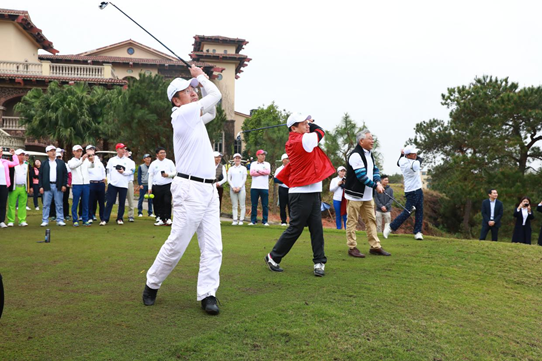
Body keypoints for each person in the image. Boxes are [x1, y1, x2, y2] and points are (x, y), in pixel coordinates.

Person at [143, 65, 223, 315]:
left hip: (209, 191)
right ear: (176, 100)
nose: (192, 92)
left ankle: (208, 294)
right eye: (186, 91)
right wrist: (200, 78)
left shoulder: (194, 116)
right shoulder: (182, 114)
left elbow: (213, 108)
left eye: (191, 89)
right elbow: (216, 96)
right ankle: (152, 283)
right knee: (177, 243)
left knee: (213, 247)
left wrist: (201, 81)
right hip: (189, 189)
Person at [266, 113, 335, 276]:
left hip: (313, 190)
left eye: (307, 123)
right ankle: (273, 257)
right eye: (303, 123)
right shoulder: (300, 140)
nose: (307, 125)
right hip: (300, 192)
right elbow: (321, 131)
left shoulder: (304, 137)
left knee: (317, 228)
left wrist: (307, 122)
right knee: (296, 228)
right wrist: (312, 123)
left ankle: (319, 262)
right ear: (293, 128)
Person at [344, 130, 390, 258]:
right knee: (352, 221)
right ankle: (352, 247)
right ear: (361, 141)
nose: (372, 141)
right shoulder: (355, 155)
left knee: (371, 220)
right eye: (370, 138)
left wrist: (378, 181)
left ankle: (375, 246)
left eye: (372, 138)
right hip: (355, 195)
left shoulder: (370, 154)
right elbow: (361, 176)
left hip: (367, 195)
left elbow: (375, 169)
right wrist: (376, 185)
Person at [384, 145, 424, 240]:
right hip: (412, 191)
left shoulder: (402, 160)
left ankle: (417, 232)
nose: (416, 154)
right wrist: (403, 154)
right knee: (407, 212)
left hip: (418, 189)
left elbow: (398, 162)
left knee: (420, 211)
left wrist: (401, 154)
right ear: (409, 155)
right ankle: (390, 227)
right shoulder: (414, 164)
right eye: (413, 153)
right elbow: (420, 159)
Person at [102, 143, 134, 226]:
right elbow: (108, 171)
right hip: (113, 184)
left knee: (122, 202)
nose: (123, 150)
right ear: (117, 150)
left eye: (124, 149)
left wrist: (124, 172)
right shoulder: (112, 160)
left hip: (123, 184)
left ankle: (120, 218)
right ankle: (105, 219)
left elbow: (131, 171)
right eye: (121, 148)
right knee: (110, 202)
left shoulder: (128, 161)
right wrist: (109, 182)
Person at [39, 145, 68, 227]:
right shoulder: (44, 163)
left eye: (54, 150)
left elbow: (65, 174)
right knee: (46, 204)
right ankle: (45, 220)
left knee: (59, 204)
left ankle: (60, 220)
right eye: (51, 151)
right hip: (47, 186)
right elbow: (40, 176)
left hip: (58, 185)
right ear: (47, 152)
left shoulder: (60, 163)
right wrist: (41, 186)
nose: (53, 152)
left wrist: (64, 184)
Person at [148, 147, 175, 226]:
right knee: (158, 202)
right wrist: (150, 187)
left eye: (164, 153)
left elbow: (175, 172)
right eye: (161, 153)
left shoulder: (169, 162)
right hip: (157, 186)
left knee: (167, 201)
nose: (163, 154)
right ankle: (160, 218)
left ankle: (168, 218)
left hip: (167, 185)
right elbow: (151, 176)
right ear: (157, 154)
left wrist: (168, 175)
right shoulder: (154, 163)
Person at [68, 145, 95, 227]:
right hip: (77, 185)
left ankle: (85, 219)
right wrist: (82, 160)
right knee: (75, 202)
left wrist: (92, 161)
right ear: (73, 152)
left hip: (86, 184)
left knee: (85, 203)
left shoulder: (85, 161)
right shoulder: (71, 161)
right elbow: (73, 166)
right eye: (77, 151)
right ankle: (75, 220)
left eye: (80, 151)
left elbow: (92, 166)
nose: (79, 153)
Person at [7, 149, 32, 227]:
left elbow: (29, 176)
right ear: (16, 156)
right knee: (11, 204)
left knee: (22, 204)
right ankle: (11, 220)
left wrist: (30, 186)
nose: (22, 156)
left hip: (23, 187)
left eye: (23, 155)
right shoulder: (12, 164)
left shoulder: (27, 164)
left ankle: (22, 220)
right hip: (14, 187)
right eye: (20, 155)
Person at [249, 149, 270, 226]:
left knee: (265, 205)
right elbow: (252, 173)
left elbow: (267, 172)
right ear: (257, 156)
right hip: (254, 187)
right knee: (254, 204)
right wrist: (262, 172)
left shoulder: (267, 164)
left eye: (264, 155)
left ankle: (265, 221)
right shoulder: (253, 164)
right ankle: (253, 220)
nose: (263, 156)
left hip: (264, 187)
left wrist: (257, 171)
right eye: (262, 155)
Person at [0, 148, 19, 229]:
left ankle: (1, 221)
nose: (0, 152)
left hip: (4, 184)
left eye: (1, 151)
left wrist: (13, 154)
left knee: (3, 204)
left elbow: (16, 163)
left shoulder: (4, 161)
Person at [86, 145, 106, 223]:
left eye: (92, 149)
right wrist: (91, 160)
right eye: (89, 149)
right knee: (90, 201)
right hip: (91, 183)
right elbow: (90, 168)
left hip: (100, 183)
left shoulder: (98, 160)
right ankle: (90, 217)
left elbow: (102, 170)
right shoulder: (85, 160)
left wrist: (104, 178)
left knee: (101, 202)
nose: (91, 151)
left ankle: (103, 218)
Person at [228, 153, 247, 225]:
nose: (237, 159)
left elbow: (244, 179)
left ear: (240, 159)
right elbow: (229, 179)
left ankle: (241, 220)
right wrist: (233, 187)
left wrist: (239, 187)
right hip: (233, 189)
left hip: (241, 189)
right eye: (236, 158)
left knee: (242, 205)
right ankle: (235, 219)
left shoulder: (243, 168)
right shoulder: (231, 168)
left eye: (238, 158)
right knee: (234, 205)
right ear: (233, 159)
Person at [274, 153, 290, 226]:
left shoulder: (292, 168)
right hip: (282, 188)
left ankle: (292, 221)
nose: (288, 160)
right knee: (282, 205)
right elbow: (276, 179)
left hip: (291, 189)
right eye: (287, 159)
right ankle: (283, 221)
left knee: (291, 206)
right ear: (283, 160)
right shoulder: (279, 169)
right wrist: (284, 180)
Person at [125, 148, 136, 222]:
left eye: (126, 151)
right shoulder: (118, 161)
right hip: (120, 182)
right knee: (121, 200)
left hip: (129, 181)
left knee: (130, 199)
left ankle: (131, 215)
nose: (125, 152)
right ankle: (120, 215)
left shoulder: (132, 162)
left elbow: (132, 171)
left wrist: (123, 172)